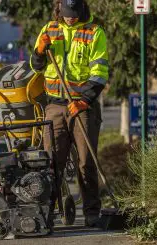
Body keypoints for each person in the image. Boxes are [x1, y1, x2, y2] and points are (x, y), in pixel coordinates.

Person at [30, 0, 109, 227]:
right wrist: (39, 51)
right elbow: (36, 67)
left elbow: (100, 72)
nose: (70, 17)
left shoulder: (94, 33)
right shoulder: (49, 30)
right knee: (52, 162)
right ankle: (46, 213)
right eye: (66, 13)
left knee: (86, 162)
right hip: (55, 105)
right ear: (59, 9)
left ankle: (92, 213)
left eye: (74, 13)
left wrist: (84, 100)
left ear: (82, 9)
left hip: (84, 107)